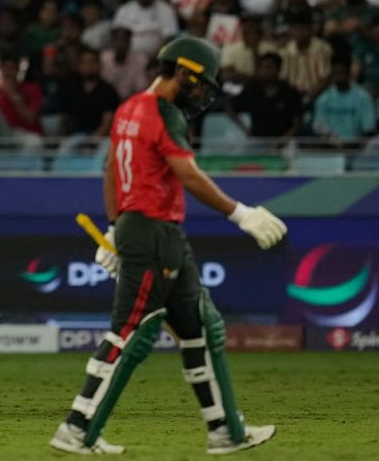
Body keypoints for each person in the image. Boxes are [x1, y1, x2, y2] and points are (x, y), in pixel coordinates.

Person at [49, 37, 285, 455]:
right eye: (202, 83)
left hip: (149, 231)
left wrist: (115, 226)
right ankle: (77, 427)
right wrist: (240, 213)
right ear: (183, 72)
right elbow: (188, 174)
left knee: (201, 328)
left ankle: (225, 430)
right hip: (155, 232)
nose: (203, 93)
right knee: (127, 332)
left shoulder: (128, 109)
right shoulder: (163, 112)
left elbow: (111, 171)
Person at [227, 53, 304, 140]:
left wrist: (283, 140)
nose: (264, 71)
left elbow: (298, 123)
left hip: (285, 142)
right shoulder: (252, 90)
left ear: (278, 69)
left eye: (268, 67)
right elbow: (230, 107)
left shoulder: (290, 92)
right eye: (261, 67)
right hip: (258, 141)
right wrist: (245, 128)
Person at [313, 56, 376, 146]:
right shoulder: (324, 99)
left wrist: (353, 145)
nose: (338, 77)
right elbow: (319, 128)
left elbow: (368, 129)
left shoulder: (364, 97)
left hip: (358, 148)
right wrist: (334, 143)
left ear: (349, 73)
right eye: (335, 73)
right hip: (331, 148)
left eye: (341, 73)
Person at [112, 0, 179, 56]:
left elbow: (170, 37)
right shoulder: (124, 9)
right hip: (129, 57)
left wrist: (157, 56)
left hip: (157, 57)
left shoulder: (165, 9)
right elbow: (117, 37)